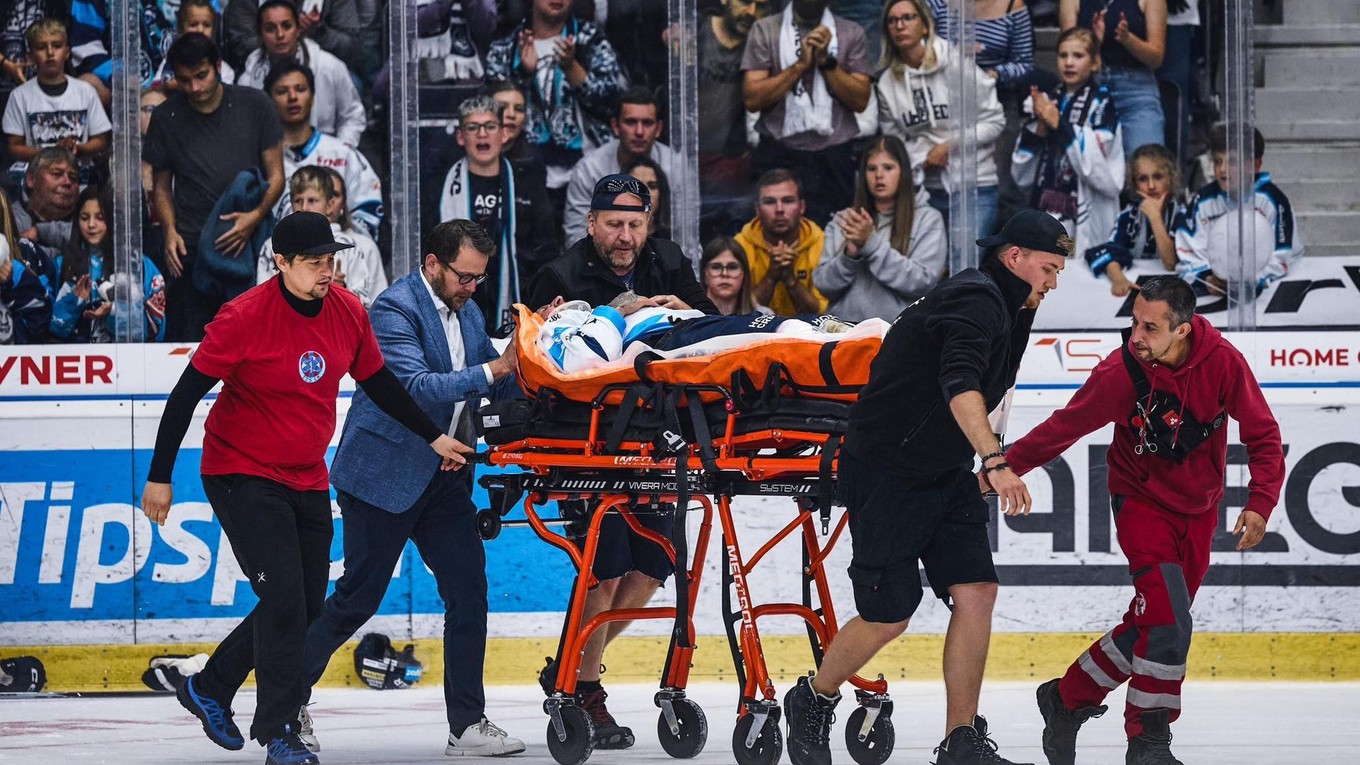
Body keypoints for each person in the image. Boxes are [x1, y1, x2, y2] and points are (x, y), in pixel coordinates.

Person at [141, 211, 473, 765]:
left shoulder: (346, 311)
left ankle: (210, 685)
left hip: (305, 474)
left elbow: (380, 384)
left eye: (331, 259)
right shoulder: (244, 317)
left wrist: (434, 436)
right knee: (286, 601)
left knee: (304, 602)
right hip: (240, 471)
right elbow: (185, 395)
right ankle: (279, 733)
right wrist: (159, 477)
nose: (328, 270)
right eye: (315, 262)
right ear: (281, 263)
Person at [781, 209, 1073, 765]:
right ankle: (813, 698)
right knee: (890, 613)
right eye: (1049, 268)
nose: (1053, 283)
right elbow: (960, 384)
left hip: (941, 470)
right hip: (886, 469)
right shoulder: (976, 299)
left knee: (977, 591)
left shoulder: (1012, 305)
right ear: (1015, 259)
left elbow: (992, 389)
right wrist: (995, 458)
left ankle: (960, 739)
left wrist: (985, 453)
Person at [1002, 275, 1284, 765]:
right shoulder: (1120, 372)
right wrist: (1000, 467)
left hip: (1199, 511)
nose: (1136, 335)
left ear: (1183, 329)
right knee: (1169, 622)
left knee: (1159, 625)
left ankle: (1066, 698)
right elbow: (1063, 427)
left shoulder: (1223, 362)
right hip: (1139, 502)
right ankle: (1147, 741)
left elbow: (1262, 434)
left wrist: (1260, 501)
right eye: (1134, 320)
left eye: (1149, 327)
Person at [297, 220, 524, 758]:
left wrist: (537, 339)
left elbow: (490, 377)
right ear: (432, 264)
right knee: (357, 600)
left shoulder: (466, 309)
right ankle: (287, 701)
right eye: (464, 276)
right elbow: (417, 387)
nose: (473, 288)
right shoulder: (393, 310)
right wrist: (496, 367)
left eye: (479, 279)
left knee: (468, 591)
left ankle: (466, 725)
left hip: (443, 480)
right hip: (382, 477)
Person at [525, 173, 716, 750]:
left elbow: (711, 337)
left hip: (659, 442)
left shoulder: (670, 259)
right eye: (613, 223)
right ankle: (585, 690)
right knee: (603, 571)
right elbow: (536, 363)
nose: (625, 235)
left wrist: (684, 310)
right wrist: (603, 318)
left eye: (635, 223)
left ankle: (571, 664)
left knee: (653, 568)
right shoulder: (558, 275)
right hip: (588, 445)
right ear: (591, 224)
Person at [143, 32, 284, 342]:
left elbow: (276, 176)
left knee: (255, 339)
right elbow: (161, 186)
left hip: (249, 243)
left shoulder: (255, 104)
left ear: (218, 65)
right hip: (191, 245)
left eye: (201, 75)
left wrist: (254, 218)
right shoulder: (167, 116)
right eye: (184, 79)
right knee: (195, 342)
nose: (194, 87)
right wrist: (169, 231)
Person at [484, 0, 627, 231]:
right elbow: (492, 113)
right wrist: (523, 76)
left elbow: (615, 107)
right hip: (525, 176)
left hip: (588, 177)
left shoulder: (591, 40)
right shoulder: (506, 48)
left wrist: (573, 70)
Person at [876, 0, 1005, 239]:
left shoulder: (956, 64)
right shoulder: (886, 84)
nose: (899, 26)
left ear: (925, 26)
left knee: (966, 270)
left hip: (975, 184)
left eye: (908, 18)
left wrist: (950, 146)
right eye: (892, 21)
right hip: (925, 188)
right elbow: (894, 141)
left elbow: (995, 120)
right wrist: (922, 157)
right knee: (933, 270)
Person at [741, 0, 873, 227]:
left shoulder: (851, 32)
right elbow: (752, 99)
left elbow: (861, 100)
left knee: (835, 241)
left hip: (833, 157)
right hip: (779, 152)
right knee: (772, 236)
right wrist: (799, 66)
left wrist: (826, 62)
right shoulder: (765, 29)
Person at [439, 94, 557, 333]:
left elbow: (545, 248)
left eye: (490, 126)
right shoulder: (441, 186)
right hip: (456, 299)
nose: (482, 134)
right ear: (461, 136)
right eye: (473, 127)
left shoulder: (527, 184)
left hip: (516, 301)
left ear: (504, 134)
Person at [1013, 27, 1124, 255]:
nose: (1069, 62)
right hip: (1050, 202)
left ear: (1095, 63)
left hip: (1086, 206)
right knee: (1053, 260)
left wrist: (1059, 123)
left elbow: (1099, 162)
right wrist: (1041, 126)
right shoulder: (1050, 98)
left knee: (1081, 265)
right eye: (1063, 56)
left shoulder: (1102, 102)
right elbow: (1021, 172)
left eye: (1078, 56)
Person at [816, 133, 947, 322]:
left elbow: (922, 283)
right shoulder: (845, 220)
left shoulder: (928, 219)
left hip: (898, 334)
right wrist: (849, 256)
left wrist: (871, 244)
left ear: (904, 172)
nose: (879, 175)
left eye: (888, 167)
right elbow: (823, 285)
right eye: (871, 168)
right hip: (844, 333)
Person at [929, 0, 1037, 225]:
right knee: (946, 178)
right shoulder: (937, 4)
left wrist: (992, 75)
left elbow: (1025, 63)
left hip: (998, 99)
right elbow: (923, 47)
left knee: (1004, 183)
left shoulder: (1013, 6)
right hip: (947, 99)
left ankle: (1005, 253)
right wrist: (957, 55)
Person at [1175, 124, 1302, 297]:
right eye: (1218, 161)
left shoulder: (1272, 200)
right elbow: (1189, 254)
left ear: (1256, 165)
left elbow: (1281, 257)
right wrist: (1208, 278)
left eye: (1232, 162)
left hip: (1273, 288)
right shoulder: (1203, 200)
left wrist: (1247, 281)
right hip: (1214, 289)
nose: (1222, 170)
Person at [264, 59, 382, 240]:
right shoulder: (263, 159)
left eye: (300, 89)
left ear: (313, 97)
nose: (292, 97)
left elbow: (369, 210)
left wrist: (339, 245)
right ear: (269, 100)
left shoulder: (343, 154)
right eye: (282, 91)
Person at [238, 0, 366, 147]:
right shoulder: (247, 81)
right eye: (270, 29)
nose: (280, 34)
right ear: (260, 35)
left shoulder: (330, 67)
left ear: (298, 29)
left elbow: (352, 116)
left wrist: (339, 155)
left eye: (287, 26)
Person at [49, 185, 166, 342]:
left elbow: (155, 330)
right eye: (84, 218)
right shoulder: (62, 265)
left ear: (113, 220)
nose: (91, 225)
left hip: (127, 362)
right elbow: (51, 330)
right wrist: (72, 302)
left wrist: (115, 311)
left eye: (100, 217)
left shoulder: (138, 265)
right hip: (77, 363)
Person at [562, 86, 677, 244]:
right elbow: (577, 239)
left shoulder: (676, 166)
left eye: (647, 123)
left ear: (658, 129)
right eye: (630, 122)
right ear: (615, 126)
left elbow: (687, 233)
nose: (639, 131)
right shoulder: (589, 170)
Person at [258, 166, 386, 308]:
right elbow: (264, 300)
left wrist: (341, 290)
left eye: (312, 200)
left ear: (330, 204)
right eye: (298, 200)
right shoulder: (272, 246)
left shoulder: (353, 246)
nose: (304, 207)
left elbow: (369, 307)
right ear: (281, 262)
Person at [698, 0, 771, 241]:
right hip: (686, 153)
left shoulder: (759, 45)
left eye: (760, 6)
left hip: (729, 160)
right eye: (745, 2)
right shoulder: (695, 32)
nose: (751, 12)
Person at [3, 17, 111, 174]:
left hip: (81, 177)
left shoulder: (85, 91)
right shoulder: (19, 96)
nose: (50, 53)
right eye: (41, 47)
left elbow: (101, 140)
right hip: (38, 180)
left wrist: (76, 149)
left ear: (67, 52)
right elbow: (14, 147)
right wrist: (54, 153)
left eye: (57, 45)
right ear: (30, 56)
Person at [1060, 0, 1166, 156]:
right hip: (1089, 87)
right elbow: (1068, 55)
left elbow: (1156, 58)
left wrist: (1128, 39)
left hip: (1137, 90)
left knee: (1146, 161)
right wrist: (1095, 43)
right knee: (1084, 163)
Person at [1085, 143, 1184, 296]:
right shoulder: (1129, 215)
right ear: (1134, 183)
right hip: (1138, 287)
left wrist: (1155, 217)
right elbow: (1110, 251)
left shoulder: (1181, 214)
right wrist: (1119, 279)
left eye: (1158, 177)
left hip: (1171, 290)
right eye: (1143, 179)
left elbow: (1171, 263)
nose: (1151, 186)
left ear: (1171, 178)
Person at [734, 168, 827, 317]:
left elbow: (825, 313)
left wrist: (791, 280)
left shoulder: (823, 244)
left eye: (788, 201)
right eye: (770, 202)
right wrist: (771, 277)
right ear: (757, 209)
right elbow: (737, 313)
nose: (779, 209)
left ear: (802, 207)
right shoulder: (739, 246)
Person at [225, 0, 364, 77]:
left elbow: (351, 48)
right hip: (263, 68)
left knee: (351, 80)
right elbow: (241, 43)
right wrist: (283, 41)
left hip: (321, 72)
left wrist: (319, 32)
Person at [12, 146, 78, 266]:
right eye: (57, 174)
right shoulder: (10, 218)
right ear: (31, 179)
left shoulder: (88, 218)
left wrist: (41, 232)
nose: (68, 182)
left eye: (73, 177)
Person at [150, 0, 240, 88]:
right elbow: (156, 89)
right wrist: (170, 86)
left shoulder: (224, 70)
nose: (200, 30)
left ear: (213, 31)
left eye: (206, 25)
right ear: (181, 30)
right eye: (193, 25)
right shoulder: (169, 64)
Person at [488, 80, 548, 194]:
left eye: (519, 109)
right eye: (502, 107)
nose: (511, 114)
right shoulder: (462, 156)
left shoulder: (532, 161)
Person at [700, 235, 765, 315]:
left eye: (732, 267)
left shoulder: (764, 317)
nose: (724, 274)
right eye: (716, 267)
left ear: (744, 275)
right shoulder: (690, 318)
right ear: (704, 274)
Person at [621, 156, 670, 241]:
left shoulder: (674, 240)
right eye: (636, 186)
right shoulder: (608, 237)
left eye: (652, 186)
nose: (645, 193)